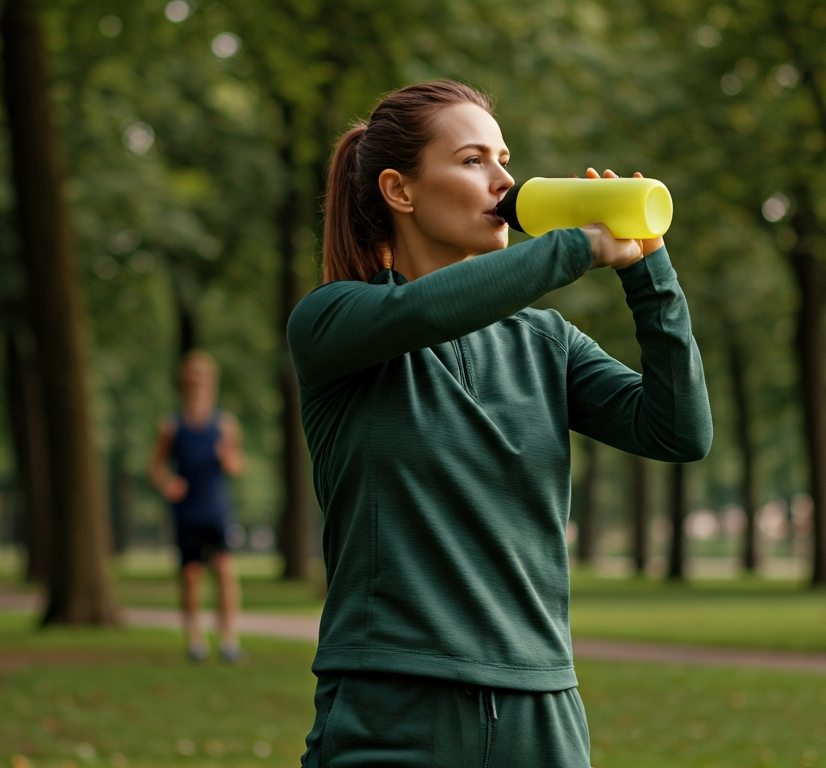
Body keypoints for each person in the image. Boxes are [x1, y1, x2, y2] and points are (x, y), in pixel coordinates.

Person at [287, 81, 712, 766]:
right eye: (473, 159)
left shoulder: (547, 344)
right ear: (400, 191)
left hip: (541, 712)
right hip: (393, 711)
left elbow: (678, 431)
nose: (505, 180)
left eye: (504, 157)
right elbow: (424, 314)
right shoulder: (333, 323)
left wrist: (648, 270)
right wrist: (576, 248)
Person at [148, 350, 248, 662]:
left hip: (216, 507)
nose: (198, 383)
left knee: (224, 569)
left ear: (212, 382)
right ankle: (195, 640)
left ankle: (229, 640)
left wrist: (227, 458)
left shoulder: (225, 424)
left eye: (203, 377)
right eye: (193, 377)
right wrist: (167, 483)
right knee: (191, 574)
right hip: (187, 510)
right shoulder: (171, 426)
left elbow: (238, 465)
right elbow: (155, 467)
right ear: (183, 382)